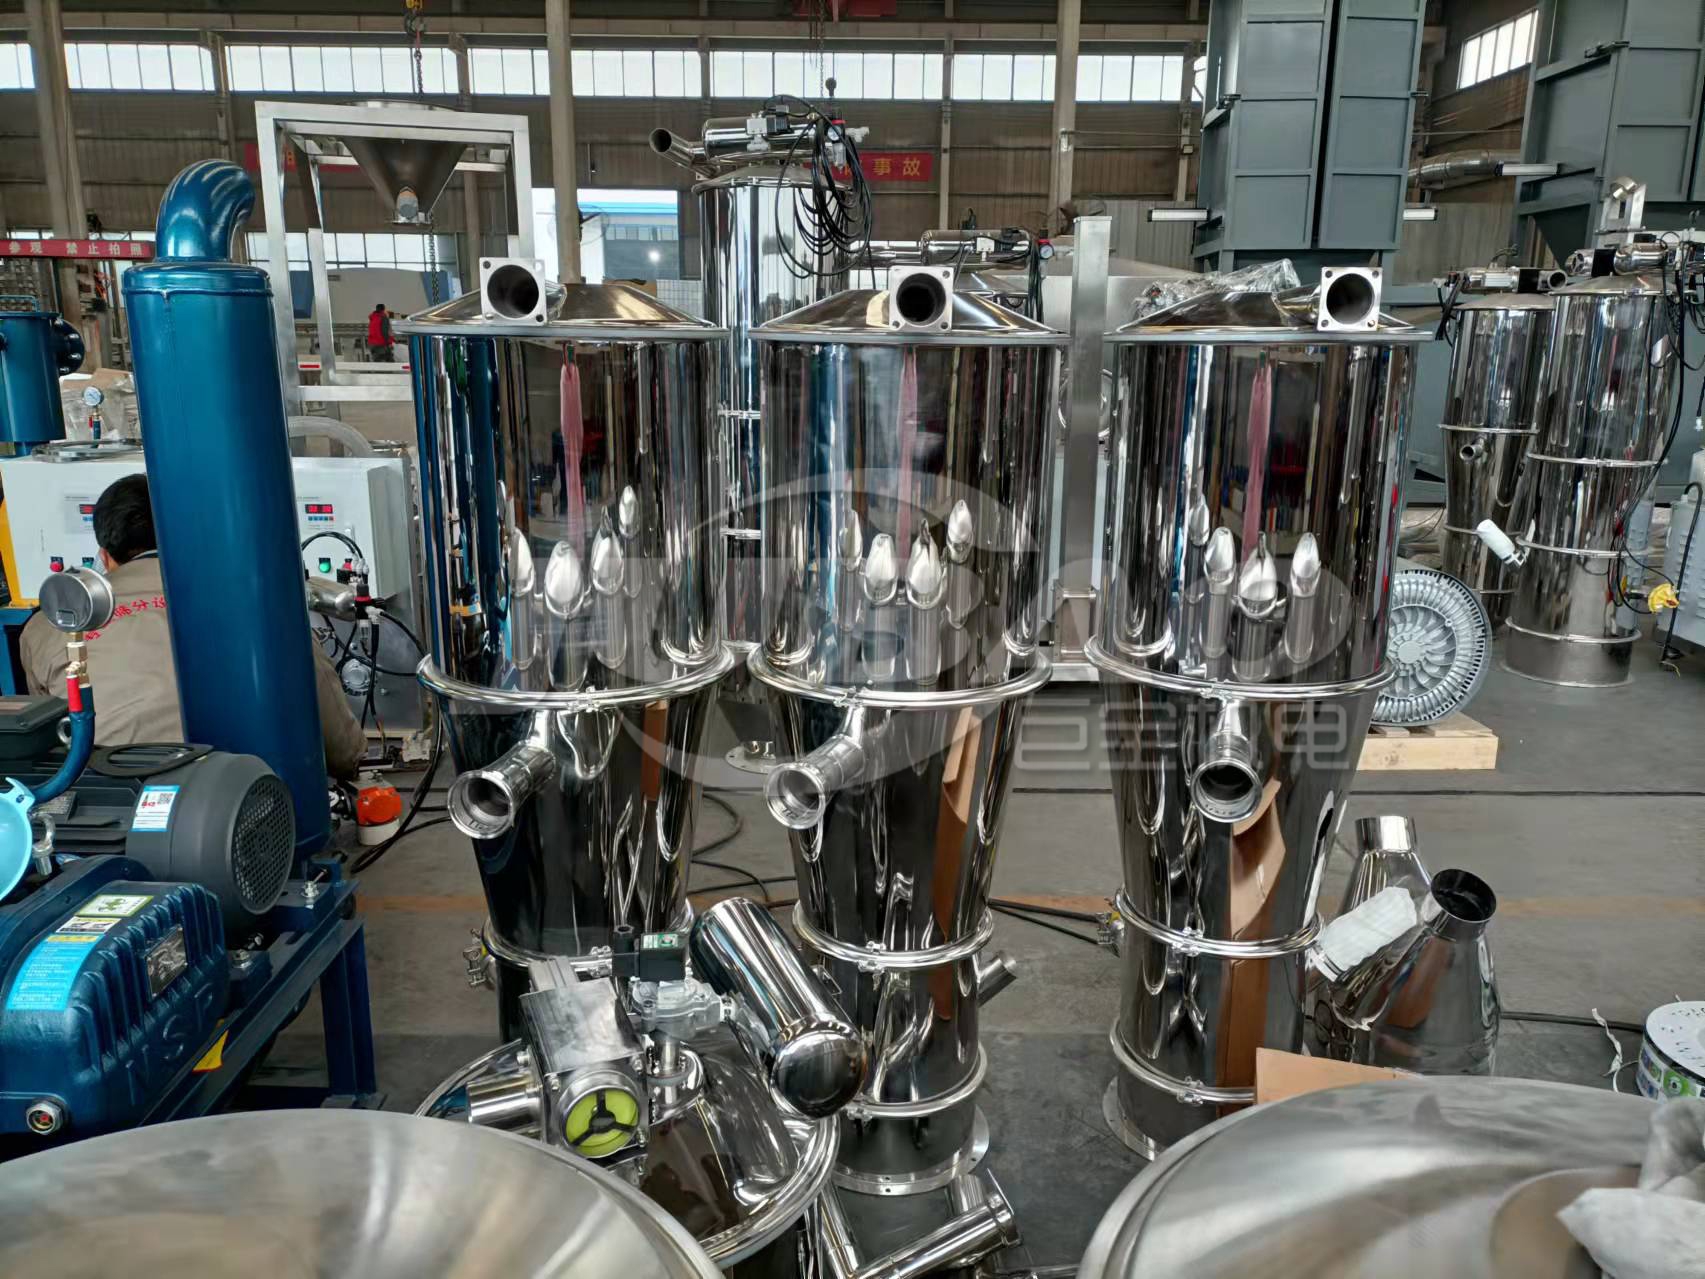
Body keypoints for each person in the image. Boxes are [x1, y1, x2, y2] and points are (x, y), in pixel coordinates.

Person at [20, 474, 367, 779]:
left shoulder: (48, 626)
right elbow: (338, 738)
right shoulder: (261, 607)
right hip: (241, 800)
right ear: (195, 539)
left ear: (105, 557)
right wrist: (350, 761)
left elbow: (45, 736)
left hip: (110, 803)